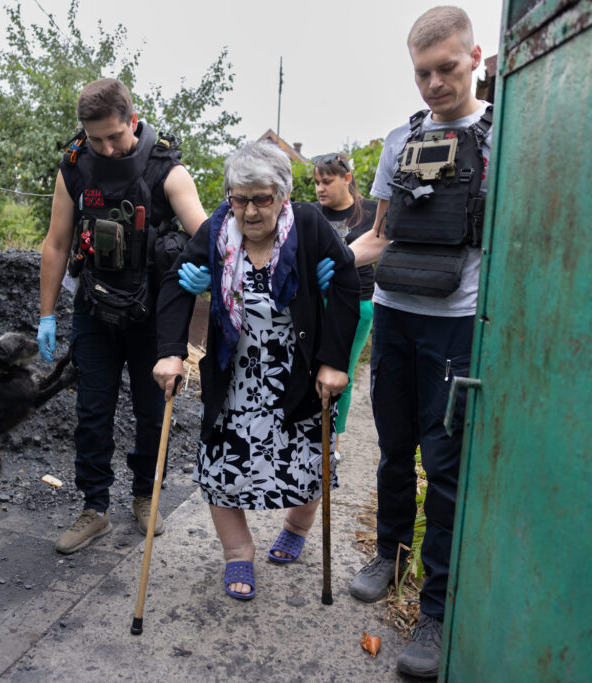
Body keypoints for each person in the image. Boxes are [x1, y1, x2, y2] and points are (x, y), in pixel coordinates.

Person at [345, 6, 493, 678]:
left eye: (446, 69)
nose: (434, 84)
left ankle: (434, 610)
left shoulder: (499, 136)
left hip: (456, 321)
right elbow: (379, 235)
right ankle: (389, 553)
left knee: (448, 466)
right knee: (393, 447)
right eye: (422, 73)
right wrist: (321, 261)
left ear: (475, 57)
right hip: (393, 314)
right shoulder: (398, 137)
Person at [152, 140, 360, 600]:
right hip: (235, 376)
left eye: (261, 198)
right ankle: (237, 552)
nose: (248, 211)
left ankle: (296, 525)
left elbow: (346, 282)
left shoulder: (307, 225)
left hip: (297, 374)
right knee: (221, 470)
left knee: (308, 470)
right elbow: (174, 287)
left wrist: (333, 362)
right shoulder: (216, 229)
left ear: (283, 196)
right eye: (238, 198)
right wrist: (170, 351)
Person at [37, 78, 207, 554]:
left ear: (133, 120)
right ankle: (95, 507)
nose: (108, 149)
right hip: (94, 308)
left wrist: (207, 270)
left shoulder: (167, 171)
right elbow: (56, 242)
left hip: (153, 316)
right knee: (92, 414)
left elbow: (208, 234)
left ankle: (143, 497)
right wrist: (47, 314)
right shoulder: (75, 169)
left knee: (153, 414)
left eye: (115, 136)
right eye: (97, 140)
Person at [311, 153, 378, 454]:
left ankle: (331, 444)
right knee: (311, 371)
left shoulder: (372, 213)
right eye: (316, 183)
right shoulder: (312, 214)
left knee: (341, 373)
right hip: (316, 302)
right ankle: (309, 434)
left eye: (327, 181)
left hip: (357, 304)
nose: (320, 189)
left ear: (347, 179)